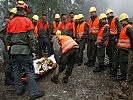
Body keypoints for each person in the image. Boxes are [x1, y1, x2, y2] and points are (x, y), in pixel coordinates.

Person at [6, 1, 44, 99]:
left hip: (14, 51)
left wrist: (9, 49)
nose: (27, 13)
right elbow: (31, 39)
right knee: (29, 71)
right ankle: (34, 92)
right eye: (26, 11)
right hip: (24, 50)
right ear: (23, 10)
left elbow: (8, 38)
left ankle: (19, 89)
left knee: (16, 70)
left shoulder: (11, 22)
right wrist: (33, 51)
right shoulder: (27, 21)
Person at [0, 8, 17, 85]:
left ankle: (10, 77)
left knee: (11, 61)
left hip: (9, 45)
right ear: (12, 15)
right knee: (8, 61)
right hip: (5, 45)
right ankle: (7, 80)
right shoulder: (6, 22)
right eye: (15, 15)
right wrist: (6, 43)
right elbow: (1, 33)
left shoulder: (11, 22)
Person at [116, 13, 133, 81]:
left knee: (124, 62)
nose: (120, 22)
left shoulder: (129, 28)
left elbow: (132, 39)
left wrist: (131, 49)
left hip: (126, 49)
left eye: (121, 21)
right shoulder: (125, 28)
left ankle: (125, 75)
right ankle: (124, 74)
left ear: (125, 20)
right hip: (122, 48)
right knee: (122, 62)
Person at [106, 8, 122, 76]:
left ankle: (114, 68)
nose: (110, 15)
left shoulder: (115, 20)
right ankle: (111, 63)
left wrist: (118, 38)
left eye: (110, 13)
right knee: (108, 52)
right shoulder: (108, 21)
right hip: (109, 39)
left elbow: (120, 29)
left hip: (114, 39)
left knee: (114, 54)